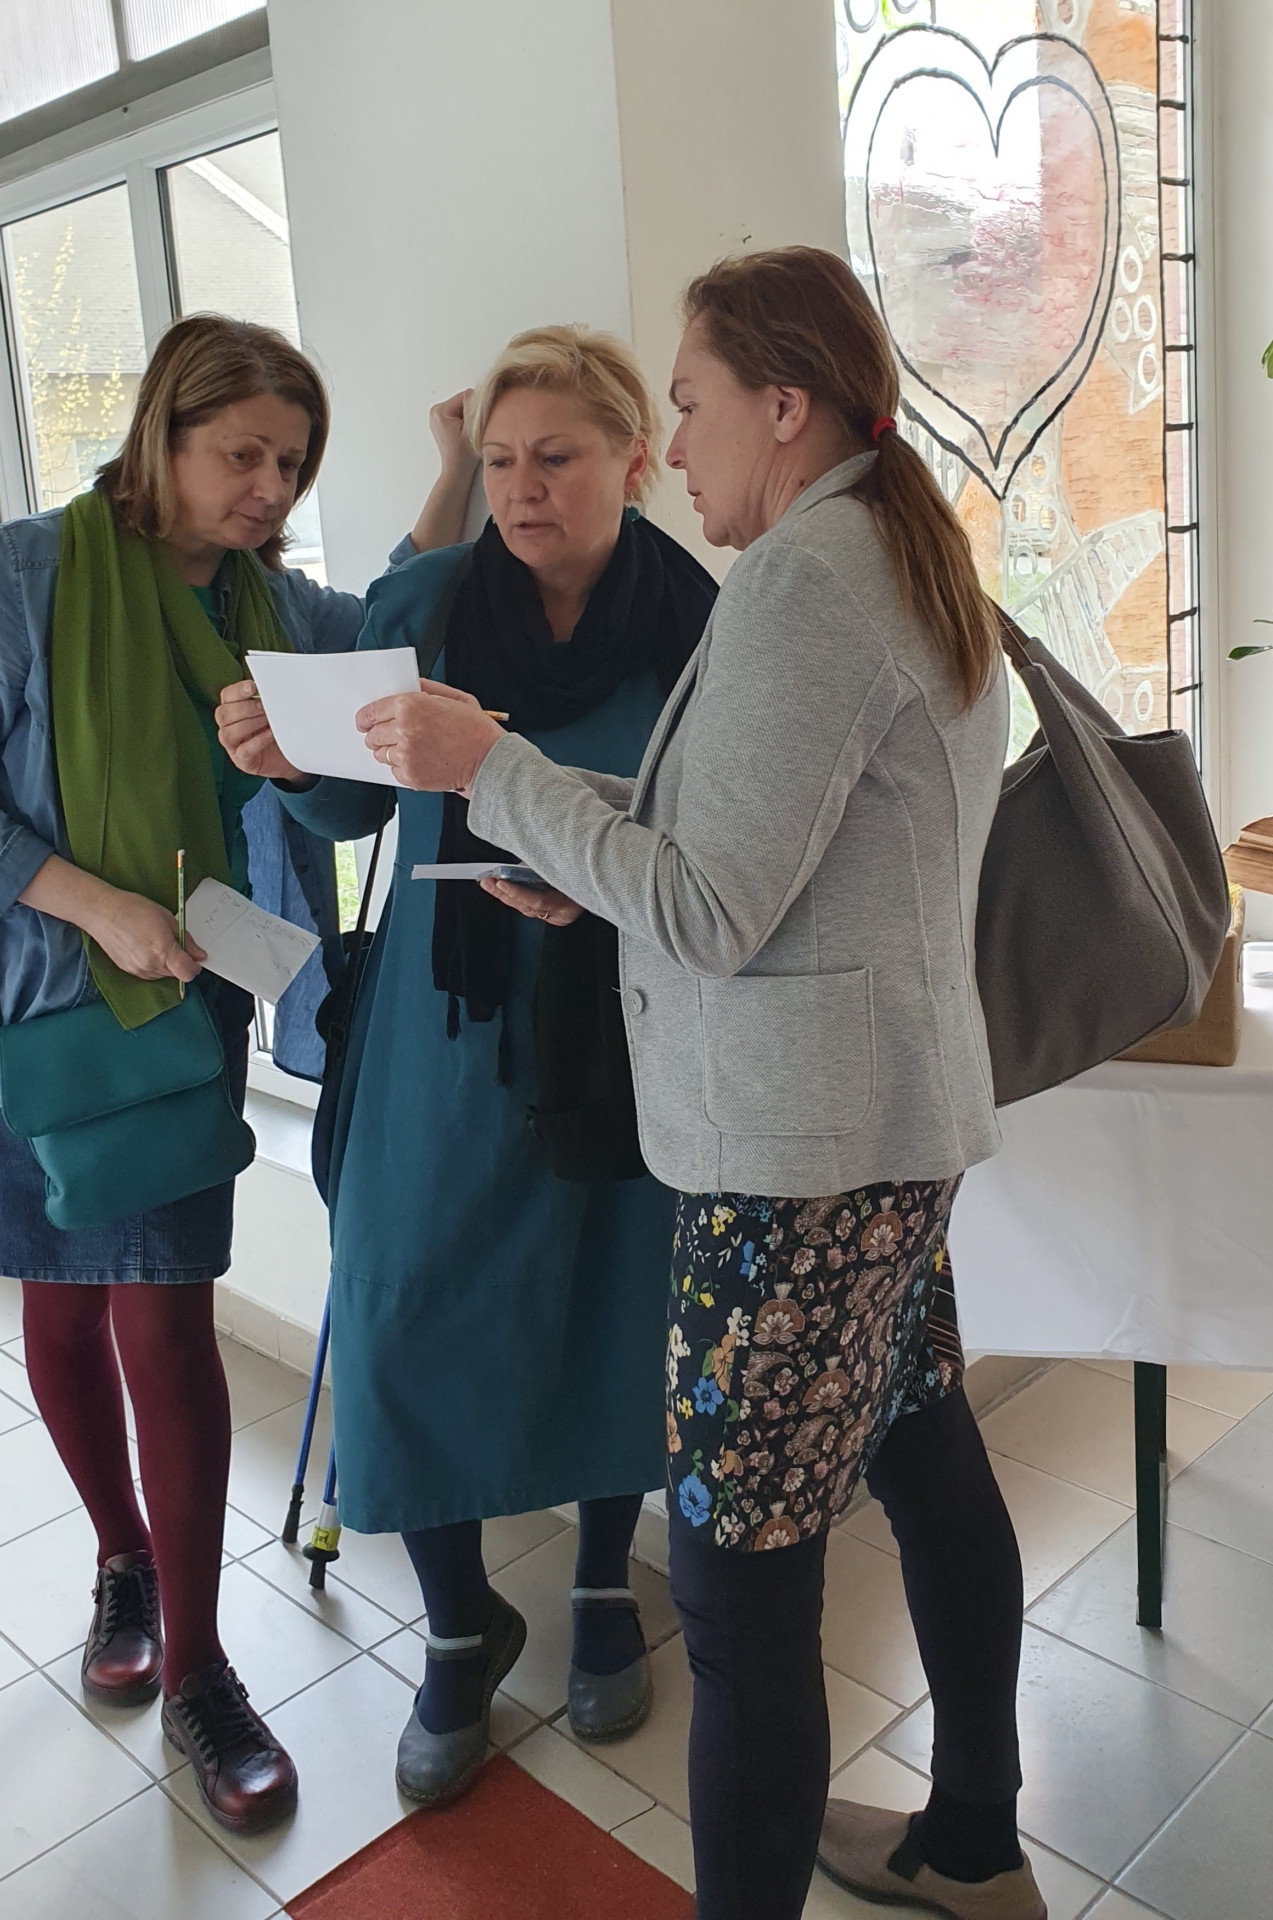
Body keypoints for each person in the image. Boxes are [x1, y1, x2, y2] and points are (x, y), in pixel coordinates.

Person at [351, 250, 1044, 1920]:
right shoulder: (886, 541)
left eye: (688, 403)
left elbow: (714, 906)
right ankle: (973, 1836)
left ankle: (943, 1847)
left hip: (797, 1164)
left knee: (736, 1599)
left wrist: (492, 771)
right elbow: (761, 842)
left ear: (782, 406)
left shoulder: (810, 581)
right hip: (880, 1128)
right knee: (927, 1460)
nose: (677, 441)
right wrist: (567, 848)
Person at [0, 315, 472, 1837]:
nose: (268, 488)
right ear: (162, 435)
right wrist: (94, 905)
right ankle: (119, 1558)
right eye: (240, 454)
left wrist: (464, 468)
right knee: (62, 1303)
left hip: (174, 1028)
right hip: (18, 1018)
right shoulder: (23, 575)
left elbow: (397, 620)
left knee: (166, 1324)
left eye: (291, 463)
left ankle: (201, 1668)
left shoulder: (276, 607)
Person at [216, 326, 718, 1807]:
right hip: (442, 1032)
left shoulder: (703, 624)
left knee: (614, 1296)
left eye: (555, 457)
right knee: (405, 1304)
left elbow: (714, 846)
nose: (519, 488)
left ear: (635, 460)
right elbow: (349, 815)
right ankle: (455, 1626)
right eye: (498, 460)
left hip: (627, 1021)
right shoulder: (426, 602)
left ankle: (604, 1589)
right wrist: (289, 765)